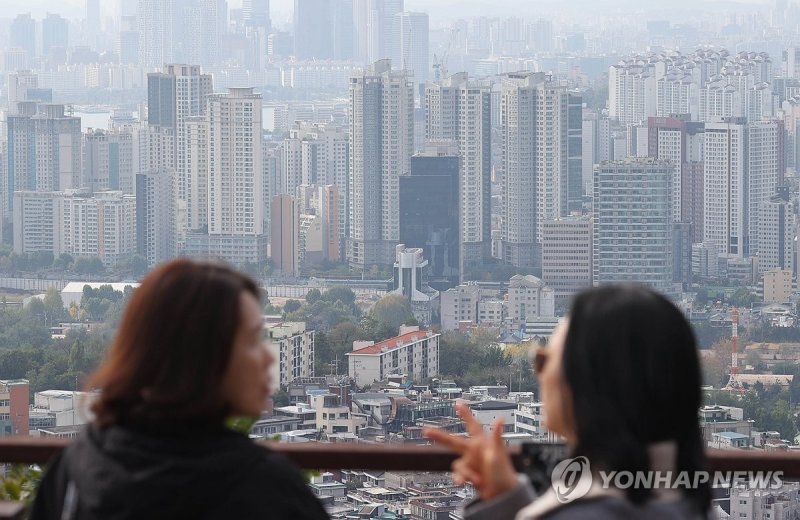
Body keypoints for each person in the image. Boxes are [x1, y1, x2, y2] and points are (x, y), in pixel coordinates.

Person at [30, 259, 329, 520]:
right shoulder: (264, 487)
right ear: (202, 356)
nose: (267, 357)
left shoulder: (78, 466)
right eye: (252, 341)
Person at [425, 284, 710, 519]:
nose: (540, 374)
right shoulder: (692, 504)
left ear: (585, 381)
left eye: (543, 360)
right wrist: (507, 499)